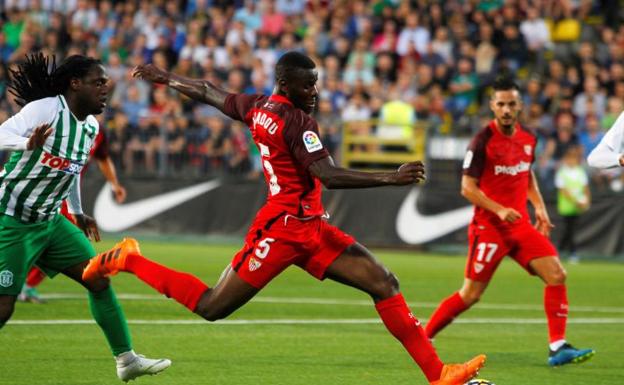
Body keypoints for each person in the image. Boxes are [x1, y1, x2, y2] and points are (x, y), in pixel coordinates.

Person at [83, 51, 486, 385]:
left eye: (315, 83)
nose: (314, 92)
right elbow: (326, 174)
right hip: (282, 231)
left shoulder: (259, 106)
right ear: (285, 83)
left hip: (311, 227)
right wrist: (390, 176)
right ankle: (128, 259)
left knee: (384, 283)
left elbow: (208, 92)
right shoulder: (296, 121)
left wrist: (164, 76)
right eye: (307, 85)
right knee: (211, 307)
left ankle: (438, 374)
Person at [0, 53, 170, 382]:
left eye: (105, 82)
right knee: (4, 307)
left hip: (50, 221)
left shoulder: (90, 127)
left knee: (97, 278)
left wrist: (77, 211)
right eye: (98, 82)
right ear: (75, 84)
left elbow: (71, 171)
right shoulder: (46, 109)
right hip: (12, 219)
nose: (106, 88)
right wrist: (26, 144)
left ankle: (127, 360)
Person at [423, 77, 595, 367]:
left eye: (511, 104)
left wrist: (539, 207)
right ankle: (424, 337)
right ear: (492, 106)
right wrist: (499, 209)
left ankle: (558, 347)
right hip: (489, 228)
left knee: (556, 274)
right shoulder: (481, 142)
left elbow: (525, 174)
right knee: (471, 294)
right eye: (500, 104)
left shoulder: (529, 138)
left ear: (520, 106)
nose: (506, 109)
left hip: (520, 225)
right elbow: (467, 188)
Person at [18, 128, 127, 303]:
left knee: (58, 240)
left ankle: (24, 284)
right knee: (64, 240)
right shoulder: (60, 123)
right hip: (41, 191)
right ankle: (22, 283)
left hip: (65, 195)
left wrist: (115, 184)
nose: (101, 101)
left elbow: (103, 158)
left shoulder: (97, 132)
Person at [555, 146, 590, 262]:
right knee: (565, 231)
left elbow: (585, 189)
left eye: (574, 158)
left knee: (572, 231)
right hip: (565, 208)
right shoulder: (562, 172)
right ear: (566, 159)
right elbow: (563, 190)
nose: (572, 160)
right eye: (569, 158)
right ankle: (566, 252)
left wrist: (586, 202)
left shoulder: (580, 172)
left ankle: (569, 252)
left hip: (577, 209)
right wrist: (577, 201)